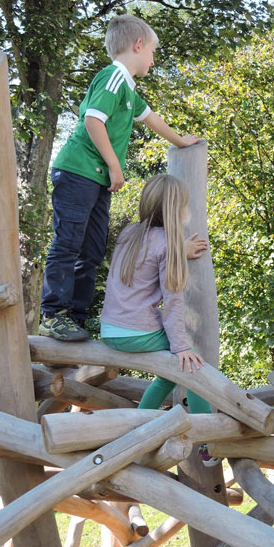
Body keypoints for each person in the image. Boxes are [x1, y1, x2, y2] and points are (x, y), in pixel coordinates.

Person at [40, 14, 201, 341]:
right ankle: (53, 314)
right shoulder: (113, 77)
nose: (153, 60)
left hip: (96, 179)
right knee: (69, 243)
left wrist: (183, 142)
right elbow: (93, 121)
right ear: (137, 45)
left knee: (94, 248)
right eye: (153, 52)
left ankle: (77, 317)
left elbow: (152, 119)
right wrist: (115, 165)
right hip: (77, 171)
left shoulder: (129, 89)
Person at [100, 174, 218, 466]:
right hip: (137, 332)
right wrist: (180, 347)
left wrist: (181, 251)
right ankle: (207, 442)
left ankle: (142, 430)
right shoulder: (168, 243)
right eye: (186, 205)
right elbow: (174, 302)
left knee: (170, 373)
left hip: (109, 329)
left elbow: (146, 261)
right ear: (177, 210)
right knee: (191, 368)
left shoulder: (129, 233)